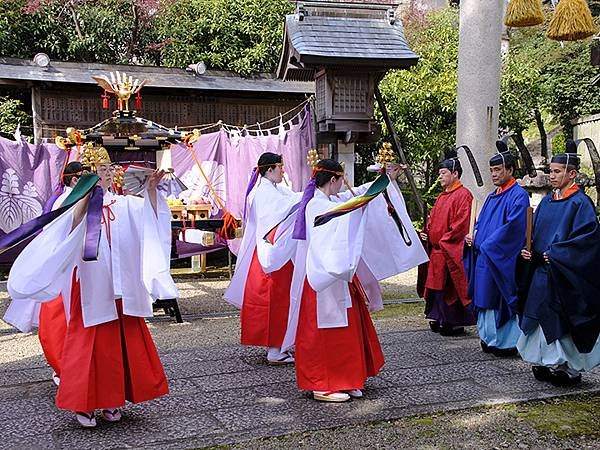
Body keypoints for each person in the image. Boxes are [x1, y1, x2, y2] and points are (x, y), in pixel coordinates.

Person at [4, 147, 177, 428]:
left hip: (121, 287)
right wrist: (85, 198)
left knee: (118, 346)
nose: (106, 175)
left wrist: (152, 190)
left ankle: (112, 399)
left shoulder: (125, 204)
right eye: (100, 170)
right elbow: (65, 230)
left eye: (109, 170)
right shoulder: (74, 201)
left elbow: (150, 216)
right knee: (87, 346)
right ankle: (83, 404)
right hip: (90, 287)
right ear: (87, 176)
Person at [285, 159, 428, 402]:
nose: (344, 186)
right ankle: (322, 384)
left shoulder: (330, 202)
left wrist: (385, 179)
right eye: (342, 181)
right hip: (323, 279)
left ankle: (347, 378)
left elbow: (359, 195)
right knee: (324, 334)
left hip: (338, 279)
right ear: (334, 180)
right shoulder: (315, 206)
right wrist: (358, 207)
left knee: (348, 329)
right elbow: (349, 210)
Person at [517, 146, 600, 386]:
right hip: (541, 271)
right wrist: (528, 250)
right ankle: (543, 361)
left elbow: (587, 242)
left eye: (557, 171)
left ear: (572, 174)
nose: (552, 176)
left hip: (564, 274)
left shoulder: (581, 204)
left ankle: (568, 368)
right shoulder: (546, 202)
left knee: (562, 320)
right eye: (550, 171)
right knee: (537, 316)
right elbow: (534, 235)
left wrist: (558, 254)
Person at [224, 153, 302, 364]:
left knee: (279, 300)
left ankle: (279, 346)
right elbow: (282, 210)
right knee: (275, 301)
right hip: (270, 253)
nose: (283, 171)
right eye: (280, 167)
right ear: (269, 170)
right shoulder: (263, 193)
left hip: (274, 253)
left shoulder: (272, 190)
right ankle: (275, 350)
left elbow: (291, 198)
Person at [464, 145, 529, 357]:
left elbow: (513, 229)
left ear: (510, 170)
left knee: (499, 297)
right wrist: (474, 235)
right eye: (492, 170)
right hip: (485, 258)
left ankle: (506, 342)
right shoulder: (492, 196)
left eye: (498, 170)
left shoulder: (518, 196)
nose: (494, 174)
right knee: (484, 298)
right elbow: (481, 222)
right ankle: (488, 337)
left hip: (501, 258)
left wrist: (488, 244)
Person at [38, 161, 89, 386]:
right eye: (87, 177)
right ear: (75, 180)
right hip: (65, 266)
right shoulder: (65, 200)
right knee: (61, 320)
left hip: (76, 265)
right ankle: (64, 368)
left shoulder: (71, 197)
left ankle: (74, 367)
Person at [420, 155, 475, 336]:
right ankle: (438, 317)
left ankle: (453, 321)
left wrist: (443, 241)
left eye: (443, 173)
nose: (440, 177)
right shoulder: (442, 196)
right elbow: (433, 221)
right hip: (437, 250)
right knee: (437, 289)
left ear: (455, 173)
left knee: (450, 288)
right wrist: (426, 233)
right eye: (440, 173)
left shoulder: (464, 195)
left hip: (448, 249)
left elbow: (461, 225)